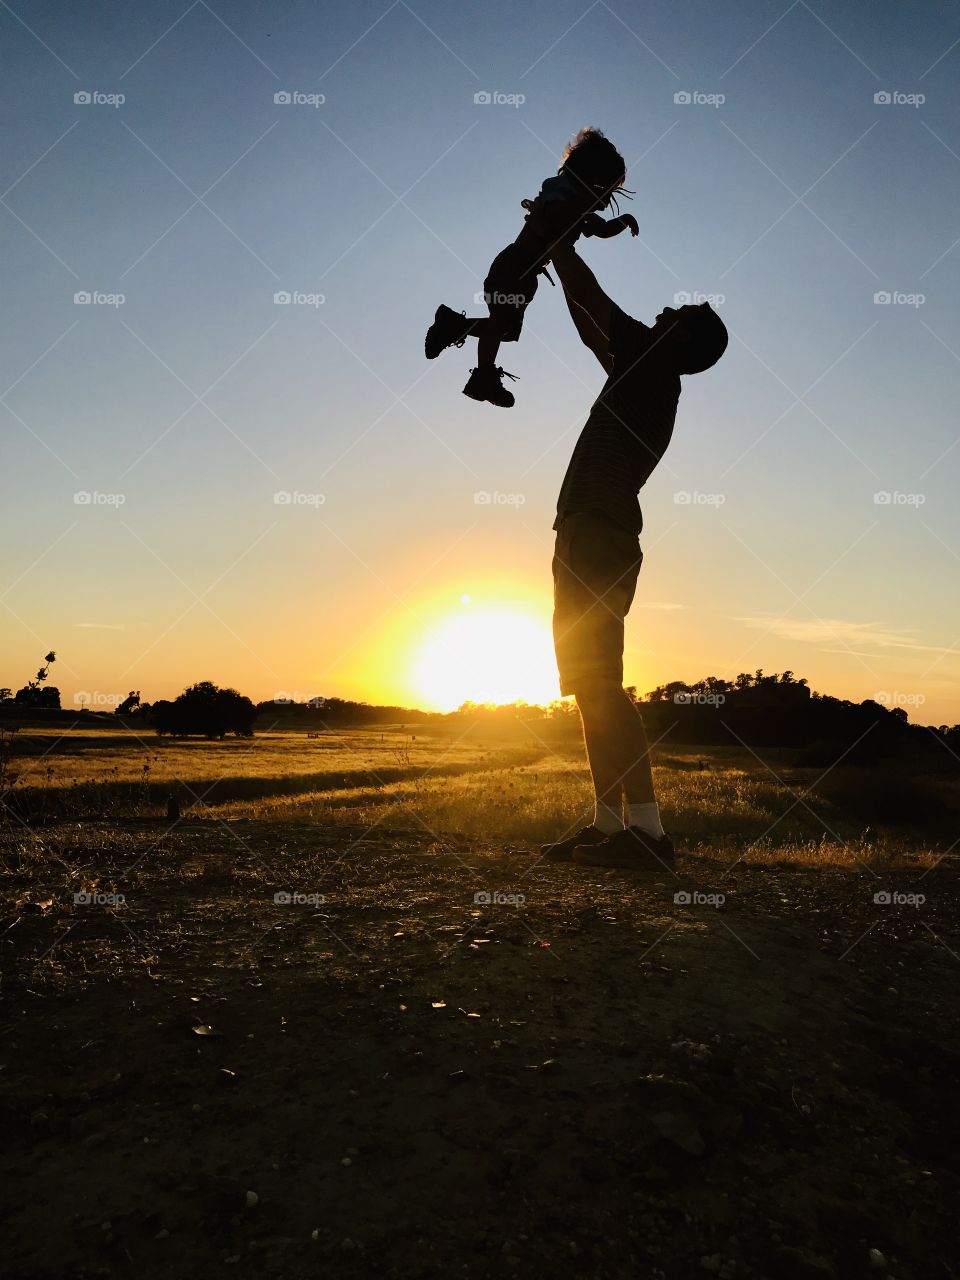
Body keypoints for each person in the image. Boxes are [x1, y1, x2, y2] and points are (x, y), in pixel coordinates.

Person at [541, 242, 728, 870]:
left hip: (600, 535)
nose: (666, 309)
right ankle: (610, 825)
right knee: (588, 689)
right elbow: (589, 321)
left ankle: (648, 835)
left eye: (679, 312)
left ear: (681, 337)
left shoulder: (653, 363)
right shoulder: (642, 367)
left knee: (601, 685)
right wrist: (559, 259)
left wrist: (559, 243)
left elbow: (593, 303)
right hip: (585, 533)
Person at [424, 128, 638, 408]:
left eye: (610, 195)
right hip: (513, 267)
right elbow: (546, 220)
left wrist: (624, 221)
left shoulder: (579, 213)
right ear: (587, 180)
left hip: (525, 276)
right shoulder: (560, 201)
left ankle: (453, 326)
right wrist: (549, 229)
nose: (605, 202)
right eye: (604, 192)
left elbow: (601, 228)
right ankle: (483, 376)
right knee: (500, 323)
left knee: (508, 331)